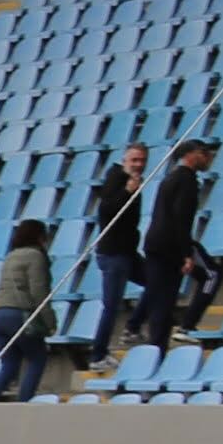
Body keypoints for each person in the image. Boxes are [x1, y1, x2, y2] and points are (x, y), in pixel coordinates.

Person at [131, 141, 211, 354]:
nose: (208, 158)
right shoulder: (187, 181)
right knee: (212, 275)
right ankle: (187, 326)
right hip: (171, 245)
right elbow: (181, 218)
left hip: (155, 243)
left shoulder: (170, 178)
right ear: (191, 155)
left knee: (161, 298)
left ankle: (154, 347)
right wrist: (186, 253)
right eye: (204, 153)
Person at [82, 146, 148, 371]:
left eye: (142, 160)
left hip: (127, 252)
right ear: (125, 160)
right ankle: (98, 355)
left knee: (157, 281)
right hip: (114, 253)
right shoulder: (116, 179)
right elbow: (106, 211)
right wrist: (127, 192)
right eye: (134, 160)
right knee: (111, 306)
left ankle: (132, 328)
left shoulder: (134, 180)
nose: (138, 164)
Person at [0, 220, 58, 402]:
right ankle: (23, 405)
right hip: (18, 314)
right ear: (40, 237)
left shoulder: (11, 256)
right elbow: (39, 292)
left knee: (9, 364)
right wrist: (50, 322)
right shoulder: (35, 256)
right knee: (37, 358)